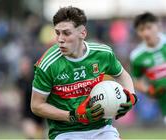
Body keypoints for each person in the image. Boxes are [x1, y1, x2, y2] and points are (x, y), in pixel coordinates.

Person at [31, 6, 137, 140]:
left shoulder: (103, 54)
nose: (60, 39)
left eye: (66, 33)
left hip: (102, 129)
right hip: (65, 132)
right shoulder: (48, 64)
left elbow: (122, 75)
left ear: (83, 33)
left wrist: (131, 97)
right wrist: (73, 115)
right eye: (57, 33)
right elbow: (36, 105)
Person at [130, 12, 166, 124]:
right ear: (137, 32)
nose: (146, 33)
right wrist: (149, 90)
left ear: (158, 25)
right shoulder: (137, 56)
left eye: (149, 27)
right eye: (141, 29)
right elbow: (137, 81)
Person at [16, 56, 44, 139]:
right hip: (27, 112)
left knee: (41, 137)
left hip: (39, 111)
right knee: (31, 135)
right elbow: (19, 96)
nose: (24, 67)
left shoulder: (36, 78)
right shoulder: (19, 80)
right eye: (22, 65)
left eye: (26, 65)